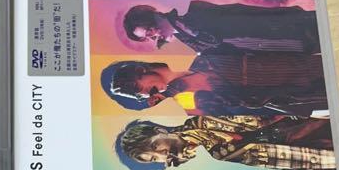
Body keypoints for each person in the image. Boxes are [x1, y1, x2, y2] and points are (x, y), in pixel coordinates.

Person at [114, 115, 336, 170]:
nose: (163, 155)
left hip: (303, 131)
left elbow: (261, 118)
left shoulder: (201, 123)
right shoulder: (211, 154)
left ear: (159, 131)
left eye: (155, 147)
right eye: (155, 159)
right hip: (303, 157)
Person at [107, 57, 326, 117]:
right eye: (139, 96)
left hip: (289, 65)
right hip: (289, 95)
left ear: (142, 71)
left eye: (138, 88)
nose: (144, 94)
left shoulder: (196, 58)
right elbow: (231, 106)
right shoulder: (185, 100)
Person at [122, 2, 321, 55]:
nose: (154, 36)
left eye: (150, 31)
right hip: (266, 45)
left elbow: (214, 35)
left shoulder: (187, 12)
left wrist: (175, 25)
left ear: (153, 18)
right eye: (148, 37)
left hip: (271, 27)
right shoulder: (183, 39)